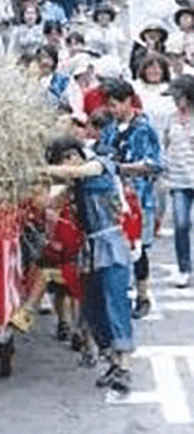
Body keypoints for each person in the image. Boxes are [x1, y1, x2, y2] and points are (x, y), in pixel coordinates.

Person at [39, 136, 134, 393]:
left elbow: (81, 170)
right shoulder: (75, 184)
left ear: (71, 156)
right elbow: (49, 203)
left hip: (111, 243)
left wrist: (43, 170)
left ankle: (124, 364)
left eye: (61, 162)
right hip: (89, 250)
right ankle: (111, 360)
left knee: (115, 303)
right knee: (92, 307)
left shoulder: (99, 164)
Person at [105, 79, 163, 318]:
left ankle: (142, 295)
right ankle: (119, 295)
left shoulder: (143, 128)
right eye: (109, 105)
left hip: (139, 197)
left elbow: (154, 164)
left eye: (115, 104)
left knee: (139, 249)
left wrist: (122, 168)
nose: (112, 109)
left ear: (128, 100)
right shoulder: (110, 126)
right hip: (113, 197)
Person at [162, 75, 194, 288]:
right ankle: (184, 268)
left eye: (179, 97)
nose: (175, 101)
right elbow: (166, 143)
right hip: (179, 180)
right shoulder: (171, 118)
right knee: (181, 224)